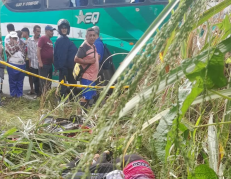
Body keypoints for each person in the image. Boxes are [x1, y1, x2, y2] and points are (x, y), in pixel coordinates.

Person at [74, 28, 99, 108]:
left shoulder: (93, 46)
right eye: (90, 35)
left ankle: (87, 113)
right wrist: (89, 61)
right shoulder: (84, 46)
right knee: (85, 98)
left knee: (91, 97)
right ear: (86, 36)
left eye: (93, 35)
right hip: (87, 77)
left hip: (92, 77)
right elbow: (76, 59)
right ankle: (81, 114)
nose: (92, 37)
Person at [54, 19, 77, 99]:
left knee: (71, 86)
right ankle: (62, 104)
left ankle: (69, 101)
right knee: (63, 88)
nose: (64, 29)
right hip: (66, 69)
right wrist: (63, 70)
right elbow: (61, 56)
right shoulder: (61, 40)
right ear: (59, 29)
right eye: (62, 28)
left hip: (69, 68)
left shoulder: (65, 39)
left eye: (65, 28)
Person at [5, 31, 26, 97]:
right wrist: (16, 45)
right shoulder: (7, 44)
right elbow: (11, 51)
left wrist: (18, 45)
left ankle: (19, 95)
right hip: (12, 65)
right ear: (10, 38)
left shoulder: (20, 44)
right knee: (13, 81)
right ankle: (13, 95)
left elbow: (23, 53)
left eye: (15, 38)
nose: (14, 40)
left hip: (21, 65)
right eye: (13, 38)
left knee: (20, 81)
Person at [37, 25, 55, 95]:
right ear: (46, 31)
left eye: (52, 31)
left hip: (49, 65)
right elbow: (38, 50)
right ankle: (43, 98)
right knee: (43, 83)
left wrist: (54, 64)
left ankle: (48, 97)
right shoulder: (42, 38)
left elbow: (51, 54)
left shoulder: (50, 41)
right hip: (43, 65)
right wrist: (40, 62)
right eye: (51, 31)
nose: (52, 32)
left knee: (49, 83)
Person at [27, 25, 41, 99]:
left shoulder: (41, 40)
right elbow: (29, 52)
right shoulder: (30, 40)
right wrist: (29, 62)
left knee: (41, 79)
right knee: (35, 79)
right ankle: (37, 93)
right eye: (37, 31)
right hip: (33, 63)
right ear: (34, 31)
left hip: (40, 63)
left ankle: (42, 93)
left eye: (39, 31)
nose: (39, 33)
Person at [21, 27, 35, 95]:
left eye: (22, 32)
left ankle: (35, 89)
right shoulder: (24, 40)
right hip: (26, 60)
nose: (22, 34)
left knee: (32, 75)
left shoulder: (29, 40)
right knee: (29, 75)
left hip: (30, 60)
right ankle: (32, 89)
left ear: (26, 32)